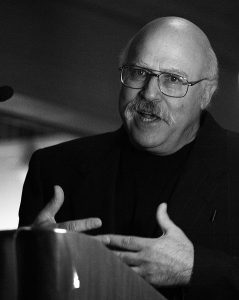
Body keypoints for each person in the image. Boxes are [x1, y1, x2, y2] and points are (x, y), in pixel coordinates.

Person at [18, 17, 239, 299]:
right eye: (138, 72)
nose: (149, 93)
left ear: (205, 94)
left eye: (173, 80)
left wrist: (195, 268)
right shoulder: (54, 169)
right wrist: (30, 258)